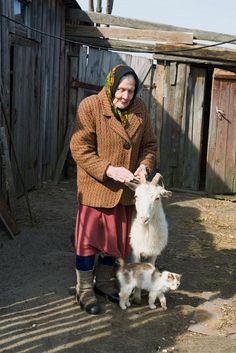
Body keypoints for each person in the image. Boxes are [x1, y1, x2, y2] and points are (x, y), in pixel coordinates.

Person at [70, 64, 157, 315]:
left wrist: (143, 166)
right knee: (87, 242)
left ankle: (105, 282)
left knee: (115, 242)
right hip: (96, 187)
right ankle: (84, 288)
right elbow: (80, 149)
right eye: (120, 89)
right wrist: (109, 169)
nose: (125, 96)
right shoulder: (90, 107)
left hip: (125, 191)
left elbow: (150, 145)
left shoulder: (140, 110)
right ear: (111, 85)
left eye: (130, 91)